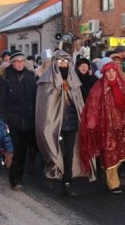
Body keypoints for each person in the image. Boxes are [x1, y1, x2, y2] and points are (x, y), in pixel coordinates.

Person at [79, 61, 125, 194]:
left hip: (123, 126)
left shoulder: (122, 85)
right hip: (106, 127)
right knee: (110, 152)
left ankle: (109, 170)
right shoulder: (98, 87)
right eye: (108, 71)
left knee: (122, 152)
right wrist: (91, 123)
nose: (112, 73)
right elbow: (92, 105)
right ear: (104, 73)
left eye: (113, 70)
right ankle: (113, 183)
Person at [35, 50, 87, 197]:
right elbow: (44, 106)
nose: (63, 65)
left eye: (65, 62)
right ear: (54, 63)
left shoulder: (74, 82)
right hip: (53, 125)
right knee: (54, 151)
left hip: (70, 125)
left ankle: (67, 182)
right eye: (60, 62)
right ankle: (52, 172)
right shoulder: (45, 82)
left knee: (69, 154)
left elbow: (79, 102)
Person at [0, 50, 37, 189]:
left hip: (28, 119)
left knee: (24, 149)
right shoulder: (5, 78)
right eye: (16, 61)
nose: (19, 64)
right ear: (12, 63)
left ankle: (20, 175)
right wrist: (3, 119)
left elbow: (35, 98)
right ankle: (15, 178)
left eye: (22, 61)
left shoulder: (31, 77)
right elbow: (0, 101)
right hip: (12, 120)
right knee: (14, 149)